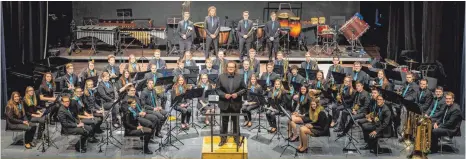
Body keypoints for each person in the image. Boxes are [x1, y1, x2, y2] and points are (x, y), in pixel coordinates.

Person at [216, 61, 247, 146]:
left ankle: (236, 139)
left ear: (235, 68)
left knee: (236, 122)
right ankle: (223, 139)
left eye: (232, 67)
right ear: (226, 67)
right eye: (229, 67)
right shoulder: (221, 77)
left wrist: (237, 94)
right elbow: (217, 89)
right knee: (224, 123)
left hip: (236, 104)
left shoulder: (240, 77)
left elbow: (245, 89)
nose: (230, 68)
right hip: (224, 103)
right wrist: (224, 95)